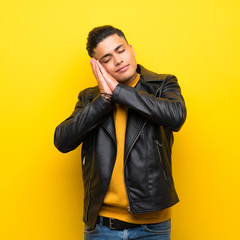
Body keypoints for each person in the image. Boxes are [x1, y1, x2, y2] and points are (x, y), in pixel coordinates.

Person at [54, 25, 186, 240]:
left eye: (120, 50)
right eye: (106, 59)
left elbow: (176, 116)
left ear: (131, 49)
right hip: (101, 227)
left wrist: (118, 92)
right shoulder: (89, 98)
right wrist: (104, 100)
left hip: (152, 227)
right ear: (98, 66)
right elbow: (62, 140)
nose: (118, 60)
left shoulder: (162, 84)